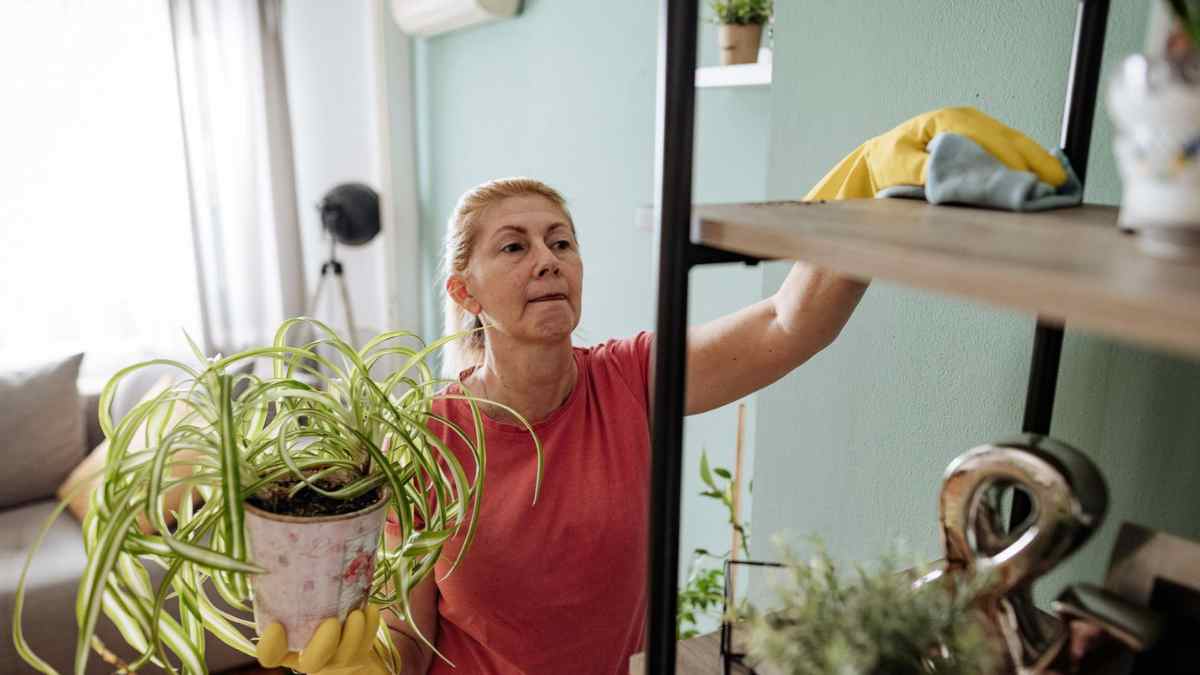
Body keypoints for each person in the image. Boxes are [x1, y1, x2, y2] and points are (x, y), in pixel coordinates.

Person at [381, 177, 869, 674]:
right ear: (466, 292)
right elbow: (408, 636)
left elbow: (787, 324)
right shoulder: (427, 438)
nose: (547, 260)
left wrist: (872, 205)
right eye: (514, 246)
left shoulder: (630, 379)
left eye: (561, 243)